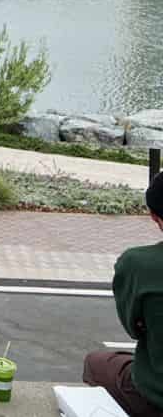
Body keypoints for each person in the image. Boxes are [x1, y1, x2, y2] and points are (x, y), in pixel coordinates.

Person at [82, 171, 163, 416]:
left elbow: (134, 328)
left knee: (96, 363)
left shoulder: (138, 264)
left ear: (155, 217)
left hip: (155, 394)